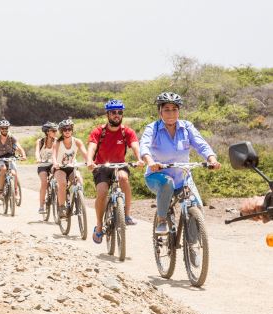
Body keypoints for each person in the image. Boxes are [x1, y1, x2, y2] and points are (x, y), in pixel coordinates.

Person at [139, 92, 221, 266]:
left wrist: (211, 158)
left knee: (196, 206)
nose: (170, 113)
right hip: (157, 175)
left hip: (183, 176)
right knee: (167, 183)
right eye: (166, 109)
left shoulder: (186, 127)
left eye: (174, 109)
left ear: (179, 111)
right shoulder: (152, 128)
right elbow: (144, 146)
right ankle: (162, 220)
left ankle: (192, 246)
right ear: (160, 111)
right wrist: (150, 161)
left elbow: (200, 144)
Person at [87, 99, 144, 243]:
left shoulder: (127, 131)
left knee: (123, 178)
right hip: (101, 166)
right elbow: (92, 147)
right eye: (113, 112)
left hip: (119, 165)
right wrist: (89, 160)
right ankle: (99, 226)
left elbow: (135, 145)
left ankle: (126, 215)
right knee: (102, 192)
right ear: (108, 114)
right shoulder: (99, 131)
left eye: (119, 112)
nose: (116, 115)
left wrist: (139, 158)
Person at [52, 118, 88, 218]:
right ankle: (61, 207)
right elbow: (54, 155)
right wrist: (55, 163)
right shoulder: (58, 143)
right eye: (65, 129)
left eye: (69, 129)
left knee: (79, 180)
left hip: (72, 167)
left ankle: (79, 201)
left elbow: (85, 154)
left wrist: (89, 162)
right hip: (60, 168)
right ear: (61, 131)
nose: (67, 131)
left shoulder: (77, 141)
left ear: (72, 130)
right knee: (63, 183)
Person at [0, 119, 27, 200]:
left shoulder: (11, 137)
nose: (4, 130)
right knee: (3, 169)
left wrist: (23, 155)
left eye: (6, 128)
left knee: (14, 173)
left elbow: (19, 147)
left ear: (8, 128)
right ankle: (0, 191)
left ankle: (16, 191)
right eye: (2, 128)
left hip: (10, 157)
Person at [36, 121, 58, 214]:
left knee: (60, 180)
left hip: (53, 164)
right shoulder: (40, 141)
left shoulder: (57, 141)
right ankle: (41, 206)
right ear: (47, 132)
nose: (55, 132)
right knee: (44, 182)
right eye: (53, 130)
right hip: (43, 165)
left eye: (55, 130)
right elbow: (37, 151)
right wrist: (38, 158)